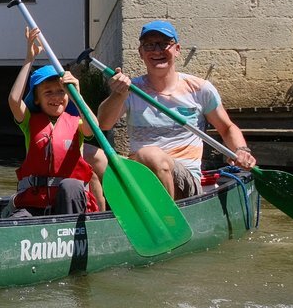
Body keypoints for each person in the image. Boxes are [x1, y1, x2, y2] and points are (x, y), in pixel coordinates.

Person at [97, 19, 256, 199]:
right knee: (93, 155)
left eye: (164, 44)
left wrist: (242, 150)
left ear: (177, 50)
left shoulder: (200, 89)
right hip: (139, 174)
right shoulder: (130, 90)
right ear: (141, 53)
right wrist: (118, 94)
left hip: (186, 179)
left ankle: (169, 217)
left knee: (150, 154)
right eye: (149, 45)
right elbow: (103, 124)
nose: (157, 51)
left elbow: (227, 128)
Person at [7, 27, 104, 216]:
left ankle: (69, 234)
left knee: (70, 185)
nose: (56, 97)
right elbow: (13, 100)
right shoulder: (29, 121)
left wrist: (77, 94)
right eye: (48, 92)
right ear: (37, 99)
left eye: (61, 91)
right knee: (19, 218)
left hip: (69, 203)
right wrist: (29, 59)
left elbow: (94, 128)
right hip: (35, 201)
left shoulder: (76, 122)